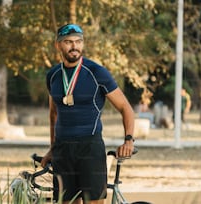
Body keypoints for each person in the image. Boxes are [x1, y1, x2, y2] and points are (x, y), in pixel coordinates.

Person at [41, 24, 135, 204]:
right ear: (58, 45)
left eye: (78, 41)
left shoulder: (97, 73)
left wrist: (129, 140)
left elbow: (126, 108)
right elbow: (54, 114)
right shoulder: (52, 76)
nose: (74, 46)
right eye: (68, 42)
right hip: (63, 150)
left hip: (90, 148)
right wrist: (53, 148)